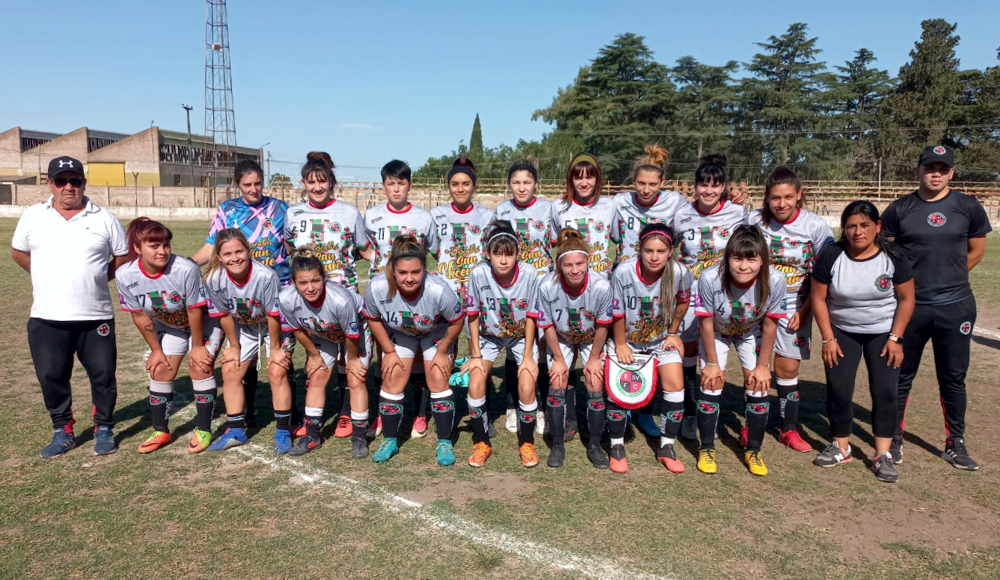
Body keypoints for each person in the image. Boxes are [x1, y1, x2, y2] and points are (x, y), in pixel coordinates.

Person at [882, 144, 992, 470]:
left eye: (942, 168)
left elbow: (976, 251)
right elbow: (885, 254)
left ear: (951, 173)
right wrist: (910, 289)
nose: (936, 173)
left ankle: (955, 443)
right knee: (900, 375)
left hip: (955, 307)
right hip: (910, 309)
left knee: (953, 378)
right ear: (917, 171)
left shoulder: (968, 206)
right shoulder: (899, 209)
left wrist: (950, 280)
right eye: (930, 167)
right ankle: (894, 439)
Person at [11, 156, 128, 457]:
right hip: (47, 316)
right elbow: (19, 252)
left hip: (95, 315)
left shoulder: (104, 217)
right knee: (51, 376)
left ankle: (104, 427)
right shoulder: (34, 216)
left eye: (75, 180)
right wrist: (45, 277)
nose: (68, 187)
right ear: (49, 183)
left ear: (83, 183)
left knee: (103, 375)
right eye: (61, 181)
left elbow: (122, 257)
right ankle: (62, 430)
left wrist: (98, 279)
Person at [811, 201, 915, 483]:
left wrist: (896, 338)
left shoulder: (893, 256)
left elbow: (907, 299)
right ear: (843, 229)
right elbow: (818, 299)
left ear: (878, 226)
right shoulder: (832, 254)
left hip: (883, 332)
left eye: (865, 225)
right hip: (842, 331)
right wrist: (828, 338)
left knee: (885, 391)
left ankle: (882, 454)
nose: (858, 232)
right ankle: (841, 447)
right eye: (851, 226)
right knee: (840, 389)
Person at [191, 160, 290, 429]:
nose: (254, 189)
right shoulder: (227, 210)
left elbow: (293, 247)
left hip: (278, 290)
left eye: (258, 183)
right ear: (238, 185)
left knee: (281, 362)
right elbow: (211, 247)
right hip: (242, 298)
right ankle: (245, 414)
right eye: (247, 184)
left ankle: (288, 420)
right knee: (241, 360)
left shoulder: (280, 209)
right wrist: (185, 265)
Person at [116, 218, 224, 454]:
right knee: (161, 368)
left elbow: (194, 310)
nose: (162, 251)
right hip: (171, 326)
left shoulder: (185, 269)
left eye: (166, 245)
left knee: (200, 365)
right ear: (137, 248)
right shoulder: (125, 275)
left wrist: (197, 346)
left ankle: (203, 429)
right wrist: (156, 350)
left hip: (205, 321)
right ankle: (160, 430)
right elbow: (141, 317)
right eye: (154, 246)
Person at [284, 154, 372, 439]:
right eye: (311, 182)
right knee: (318, 359)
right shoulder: (293, 214)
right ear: (304, 184)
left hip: (342, 294)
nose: (317, 187)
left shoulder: (349, 213)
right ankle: (315, 417)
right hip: (309, 299)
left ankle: (346, 412)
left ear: (331, 182)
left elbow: (364, 249)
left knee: (349, 357)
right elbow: (288, 250)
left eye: (322, 181)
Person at [750, 166, 834, 452]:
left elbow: (823, 273)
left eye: (788, 196)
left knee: (786, 367)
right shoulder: (754, 221)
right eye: (775, 198)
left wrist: (807, 308)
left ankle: (788, 429)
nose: (781, 203)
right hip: (755, 304)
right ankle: (752, 424)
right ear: (767, 198)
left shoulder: (815, 226)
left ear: (799, 195)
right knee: (755, 365)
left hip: (795, 305)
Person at [362, 235, 465, 466]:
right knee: (392, 375)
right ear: (393, 270)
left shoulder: (438, 289)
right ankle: (390, 440)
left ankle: (445, 441)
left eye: (415, 272)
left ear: (425, 269)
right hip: (401, 333)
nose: (409, 279)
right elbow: (373, 318)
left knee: (438, 377)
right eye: (403, 273)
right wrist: (388, 352)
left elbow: (457, 320)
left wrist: (443, 351)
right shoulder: (377, 287)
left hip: (435, 332)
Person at [695, 225, 786, 476]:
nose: (743, 266)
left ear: (762, 260)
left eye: (751, 259)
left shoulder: (776, 279)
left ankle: (753, 450)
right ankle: (707, 448)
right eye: (737, 258)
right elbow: (705, 322)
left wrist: (762, 366)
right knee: (711, 382)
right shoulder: (709, 277)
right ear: (728, 258)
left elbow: (770, 324)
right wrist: (712, 363)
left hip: (750, 331)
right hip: (716, 331)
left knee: (758, 384)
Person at [671, 154, 749, 440]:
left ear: (724, 187)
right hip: (691, 297)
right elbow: (669, 248)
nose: (709, 191)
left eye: (715, 185)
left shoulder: (739, 213)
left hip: (728, 297)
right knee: (690, 354)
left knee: (715, 357)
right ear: (695, 186)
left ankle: (715, 416)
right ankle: (692, 413)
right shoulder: (682, 214)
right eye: (704, 185)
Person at [609, 223, 693, 474]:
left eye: (660, 251)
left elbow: (683, 301)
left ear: (670, 252)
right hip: (628, 341)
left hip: (659, 341)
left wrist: (673, 333)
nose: (654, 257)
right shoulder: (623, 272)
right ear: (639, 250)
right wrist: (621, 344)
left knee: (675, 385)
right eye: (648, 251)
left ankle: (667, 446)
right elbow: (617, 311)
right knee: (618, 386)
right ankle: (616, 445)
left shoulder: (680, 272)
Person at [364, 159, 438, 438]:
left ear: (409, 185)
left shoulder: (423, 218)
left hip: (415, 293)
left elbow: (433, 251)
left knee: (417, 351)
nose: (396, 189)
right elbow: (363, 248)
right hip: (384, 295)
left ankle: (420, 412)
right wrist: (380, 269)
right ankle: (383, 416)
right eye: (391, 183)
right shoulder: (371, 215)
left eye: (401, 183)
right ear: (383, 185)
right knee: (384, 354)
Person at [201, 229, 294, 453]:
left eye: (239, 251)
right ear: (219, 256)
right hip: (246, 326)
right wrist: (234, 346)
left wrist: (274, 349)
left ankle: (283, 431)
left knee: (276, 369)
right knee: (230, 370)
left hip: (277, 326)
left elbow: (273, 314)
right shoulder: (213, 279)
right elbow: (223, 315)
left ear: (248, 250)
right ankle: (236, 431)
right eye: (227, 254)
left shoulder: (265, 276)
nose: (234, 258)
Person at [278, 248, 372, 458]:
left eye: (315, 281)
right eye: (303, 283)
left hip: (354, 333)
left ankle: (359, 437)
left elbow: (351, 334)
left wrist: (353, 359)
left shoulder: (340, 299)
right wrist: (313, 355)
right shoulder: (285, 299)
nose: (310, 288)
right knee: (317, 376)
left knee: (356, 378)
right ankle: (312, 437)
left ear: (324, 279)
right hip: (322, 333)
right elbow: (298, 329)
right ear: (293, 282)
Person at [463, 222, 541, 468]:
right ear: (487, 254)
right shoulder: (478, 273)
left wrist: (528, 355)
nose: (503, 260)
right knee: (476, 383)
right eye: (497, 254)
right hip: (489, 336)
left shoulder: (529, 274)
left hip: (521, 336)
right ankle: (481, 442)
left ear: (518, 254)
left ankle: (527, 443)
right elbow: (473, 315)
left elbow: (531, 315)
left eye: (509, 254)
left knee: (527, 384)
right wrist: (475, 355)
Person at [535, 229, 613, 469]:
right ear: (559, 265)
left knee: (594, 380)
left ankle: (595, 445)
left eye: (580, 263)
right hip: (562, 336)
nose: (575, 269)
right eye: (568, 265)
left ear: (588, 261)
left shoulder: (601, 286)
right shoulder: (547, 285)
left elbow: (602, 325)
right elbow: (546, 324)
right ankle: (557, 444)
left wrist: (593, 359)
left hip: (592, 337)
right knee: (558, 379)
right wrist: (558, 359)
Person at [495, 157, 557, 436]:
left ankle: (539, 406)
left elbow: (555, 243)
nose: (522, 188)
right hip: (513, 287)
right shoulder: (502, 209)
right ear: (509, 184)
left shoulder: (547, 209)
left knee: (539, 349)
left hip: (542, 286)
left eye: (527, 182)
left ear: (535, 184)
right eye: (516, 182)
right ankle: (512, 406)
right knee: (513, 344)